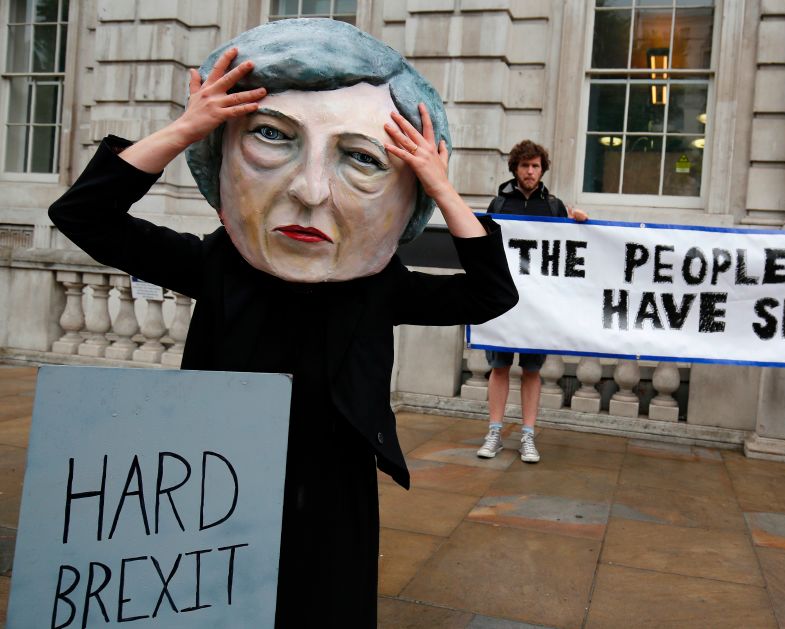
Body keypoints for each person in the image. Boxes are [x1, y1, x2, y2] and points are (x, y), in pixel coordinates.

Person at [48, 19, 517, 626]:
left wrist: (440, 187)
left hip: (333, 486)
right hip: (215, 483)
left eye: (361, 159)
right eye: (271, 136)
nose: (310, 190)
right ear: (219, 167)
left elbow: (490, 293)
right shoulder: (216, 266)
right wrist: (189, 127)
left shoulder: (379, 288)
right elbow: (85, 214)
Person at [476, 140, 586, 463]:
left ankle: (527, 435)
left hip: (537, 306)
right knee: (499, 367)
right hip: (504, 303)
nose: (530, 172)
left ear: (542, 169)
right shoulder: (499, 204)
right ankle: (494, 431)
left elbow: (570, 250)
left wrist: (580, 223)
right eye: (525, 166)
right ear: (515, 168)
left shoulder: (553, 206)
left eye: (536, 166)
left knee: (531, 370)